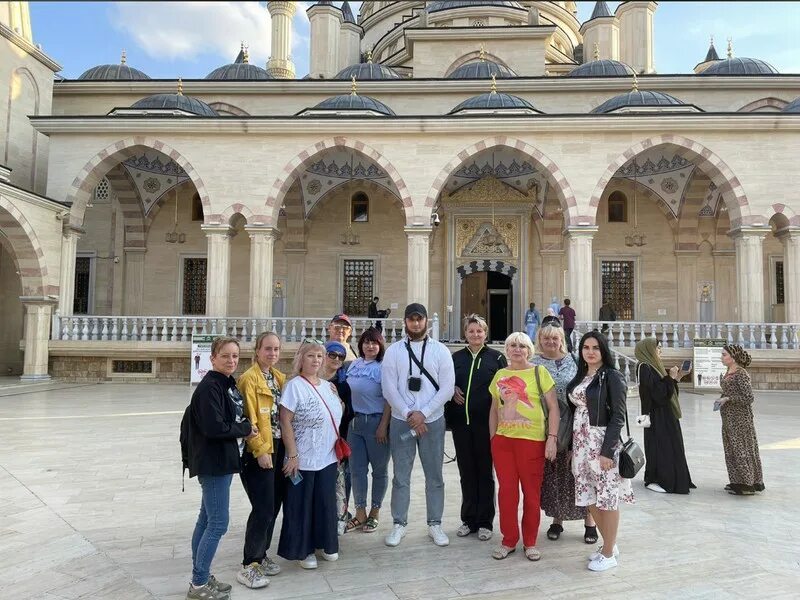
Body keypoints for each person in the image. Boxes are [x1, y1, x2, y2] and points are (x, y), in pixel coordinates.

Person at [183, 336, 257, 600]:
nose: (231, 360)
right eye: (225, 355)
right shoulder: (210, 388)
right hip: (214, 463)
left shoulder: (225, 384)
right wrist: (245, 429)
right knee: (218, 524)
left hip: (222, 461)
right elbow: (214, 427)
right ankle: (198, 584)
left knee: (205, 521)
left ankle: (201, 574)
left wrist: (243, 425)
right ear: (212, 358)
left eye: (235, 356)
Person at [382, 302, 455, 548]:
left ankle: (435, 523)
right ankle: (398, 523)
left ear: (426, 321)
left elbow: (447, 387)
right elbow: (389, 388)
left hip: (432, 421)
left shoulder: (440, 351)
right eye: (411, 319)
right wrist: (408, 413)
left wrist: (423, 413)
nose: (415, 323)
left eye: (419, 319)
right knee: (401, 476)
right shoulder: (394, 351)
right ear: (405, 322)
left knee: (434, 475)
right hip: (402, 421)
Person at [566, 331, 634, 572]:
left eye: (595, 347)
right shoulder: (582, 375)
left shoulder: (612, 377)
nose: (590, 351)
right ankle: (609, 544)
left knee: (607, 497)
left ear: (603, 350)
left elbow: (618, 416)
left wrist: (607, 451)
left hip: (602, 442)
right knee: (589, 495)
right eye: (586, 347)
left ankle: (609, 553)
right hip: (581, 442)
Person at [488, 332, 559, 561]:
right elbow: (493, 409)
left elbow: (554, 408)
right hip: (504, 443)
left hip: (532, 443)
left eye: (521, 345)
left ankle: (530, 541)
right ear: (506, 350)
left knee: (531, 494)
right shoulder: (500, 374)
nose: (516, 349)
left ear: (529, 349)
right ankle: (509, 540)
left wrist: (552, 437)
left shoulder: (540, 372)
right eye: (512, 345)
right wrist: (493, 438)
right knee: (506, 493)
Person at [277, 341, 342, 569]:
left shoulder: (328, 386)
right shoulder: (294, 386)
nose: (316, 360)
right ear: (301, 359)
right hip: (303, 457)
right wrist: (292, 454)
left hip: (327, 456)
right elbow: (285, 420)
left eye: (319, 356)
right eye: (311, 356)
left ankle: (325, 543)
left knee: (325, 503)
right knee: (302, 505)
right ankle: (303, 550)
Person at [532, 323, 598, 545]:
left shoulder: (575, 361)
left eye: (555, 338)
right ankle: (557, 519)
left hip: (576, 424)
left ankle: (590, 522)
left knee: (580, 473)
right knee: (555, 475)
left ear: (562, 339)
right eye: (546, 338)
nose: (550, 342)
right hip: (547, 426)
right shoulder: (534, 363)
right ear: (540, 339)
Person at [447, 314, 507, 541]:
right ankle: (468, 519)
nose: (475, 335)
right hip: (462, 425)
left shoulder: (497, 358)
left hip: (487, 426)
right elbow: (444, 381)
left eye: (479, 331)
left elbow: (504, 389)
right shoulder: (457, 358)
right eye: (471, 331)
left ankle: (485, 522)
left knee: (485, 473)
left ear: (486, 333)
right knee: (466, 473)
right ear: (465, 333)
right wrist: (451, 388)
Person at [235, 332, 286, 589]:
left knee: (273, 505)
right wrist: (260, 450)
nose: (272, 354)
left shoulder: (277, 378)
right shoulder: (249, 379)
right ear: (257, 351)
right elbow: (249, 420)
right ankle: (249, 564)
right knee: (263, 507)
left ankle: (262, 554)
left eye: (276, 349)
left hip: (278, 448)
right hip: (260, 451)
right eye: (267, 349)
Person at [344, 327, 391, 533]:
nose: (370, 346)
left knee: (379, 470)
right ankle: (360, 511)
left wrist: (383, 425)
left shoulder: (384, 367)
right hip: (355, 424)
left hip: (376, 423)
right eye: (366, 342)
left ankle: (375, 511)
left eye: (374, 342)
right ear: (361, 345)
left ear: (380, 345)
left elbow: (390, 399)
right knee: (357, 470)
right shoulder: (354, 365)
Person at [635, 337, 695, 495]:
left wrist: (678, 377)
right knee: (661, 447)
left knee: (671, 445)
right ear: (648, 350)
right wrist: (670, 377)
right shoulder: (644, 367)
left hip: (665, 414)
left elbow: (667, 391)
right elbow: (657, 395)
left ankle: (671, 478)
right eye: (658, 348)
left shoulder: (654, 366)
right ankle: (655, 479)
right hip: (657, 416)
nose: (660, 350)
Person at [719, 344, 765, 496]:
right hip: (728, 417)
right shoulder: (728, 371)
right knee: (731, 449)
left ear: (733, 357)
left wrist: (728, 398)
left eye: (724, 354)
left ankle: (747, 484)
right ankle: (736, 481)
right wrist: (722, 399)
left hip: (740, 419)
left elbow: (748, 397)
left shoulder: (741, 373)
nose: (722, 357)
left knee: (741, 449)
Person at [320, 340, 354, 534]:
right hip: (315, 444)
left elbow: (348, 414)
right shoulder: (311, 379)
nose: (335, 359)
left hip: (336, 442)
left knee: (338, 485)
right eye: (331, 355)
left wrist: (339, 402)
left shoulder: (343, 385)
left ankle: (337, 522)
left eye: (340, 357)